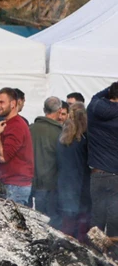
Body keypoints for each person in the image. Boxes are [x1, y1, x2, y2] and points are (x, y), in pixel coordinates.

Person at [0, 87, 34, 206]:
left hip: (15, 187)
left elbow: (3, 157)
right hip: (10, 183)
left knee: (11, 224)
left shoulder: (16, 126)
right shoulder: (8, 124)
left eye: (1, 102)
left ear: (13, 104)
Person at [87, 82, 118, 238]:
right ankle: (113, 258)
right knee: (115, 220)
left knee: (97, 219)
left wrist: (108, 90)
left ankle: (95, 256)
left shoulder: (93, 109)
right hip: (115, 176)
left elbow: (95, 96)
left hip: (97, 173)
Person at [59, 102, 90, 240]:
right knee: (82, 222)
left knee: (67, 221)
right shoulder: (85, 139)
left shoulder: (62, 138)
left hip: (64, 183)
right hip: (81, 184)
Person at [31, 96, 64, 227]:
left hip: (33, 182)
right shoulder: (59, 133)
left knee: (38, 222)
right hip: (52, 185)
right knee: (52, 223)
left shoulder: (31, 128)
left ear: (44, 109)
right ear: (60, 110)